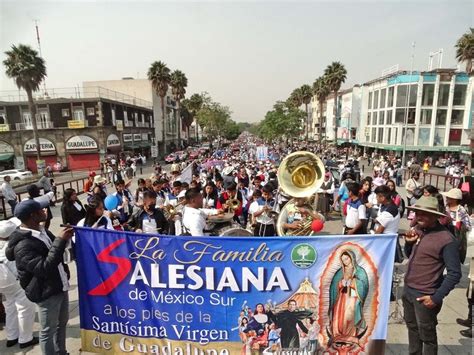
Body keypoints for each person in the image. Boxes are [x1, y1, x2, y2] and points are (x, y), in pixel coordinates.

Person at [6, 199, 74, 355]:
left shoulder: (42, 230)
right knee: (47, 331)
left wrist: (65, 239)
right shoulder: (23, 245)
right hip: (46, 291)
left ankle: (61, 352)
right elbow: (44, 268)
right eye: (40, 210)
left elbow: (54, 252)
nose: (45, 212)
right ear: (32, 215)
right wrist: (60, 240)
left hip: (59, 284)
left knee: (61, 324)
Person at [402, 196, 462, 355]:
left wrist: (436, 297)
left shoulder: (447, 240)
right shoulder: (419, 230)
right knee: (412, 330)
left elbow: (455, 273)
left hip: (425, 295)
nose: (419, 216)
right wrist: (409, 244)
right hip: (408, 290)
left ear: (436, 216)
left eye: (424, 214)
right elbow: (411, 256)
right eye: (417, 212)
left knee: (427, 336)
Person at [0, 218, 38, 349]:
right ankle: (25, 338)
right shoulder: (12, 247)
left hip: (3, 285)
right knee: (25, 309)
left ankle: (12, 336)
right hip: (16, 281)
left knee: (10, 307)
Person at [328, 250, 369, 348]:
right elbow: (333, 286)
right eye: (343, 260)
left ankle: (350, 336)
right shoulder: (339, 272)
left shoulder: (360, 271)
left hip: (352, 298)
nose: (345, 261)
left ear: (351, 258)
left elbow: (364, 285)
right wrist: (340, 283)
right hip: (341, 298)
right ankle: (337, 335)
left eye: (346, 259)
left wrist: (354, 283)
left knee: (349, 316)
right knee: (339, 317)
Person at [441, 188, 471, 264]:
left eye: (449, 197)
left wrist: (457, 224)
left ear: (455, 199)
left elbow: (468, 225)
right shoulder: (444, 208)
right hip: (443, 237)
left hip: (454, 240)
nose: (446, 198)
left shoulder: (461, 210)